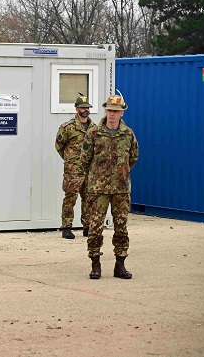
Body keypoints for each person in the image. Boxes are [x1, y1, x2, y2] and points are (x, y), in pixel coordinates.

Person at [81, 95, 139, 280]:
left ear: (122, 113)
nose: (112, 114)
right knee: (95, 227)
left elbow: (133, 157)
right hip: (98, 190)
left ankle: (120, 265)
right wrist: (97, 177)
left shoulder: (128, 134)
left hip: (121, 189)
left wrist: (120, 173)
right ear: (105, 111)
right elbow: (85, 159)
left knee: (121, 228)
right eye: (109, 110)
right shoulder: (94, 133)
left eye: (115, 111)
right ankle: (95, 264)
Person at [55, 94, 97, 239]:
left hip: (89, 170)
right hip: (73, 171)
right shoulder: (67, 127)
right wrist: (70, 160)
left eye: (87, 107)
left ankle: (87, 226)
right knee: (70, 199)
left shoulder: (94, 128)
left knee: (89, 199)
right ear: (76, 109)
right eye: (82, 107)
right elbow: (59, 146)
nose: (85, 110)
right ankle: (66, 227)